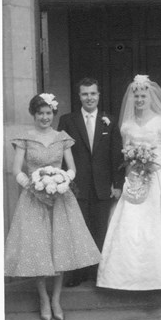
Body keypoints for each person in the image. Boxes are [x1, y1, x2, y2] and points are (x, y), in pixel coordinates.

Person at [4, 93, 100, 320]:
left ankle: (56, 298)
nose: (45, 117)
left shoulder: (62, 137)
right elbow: (16, 169)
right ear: (34, 114)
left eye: (48, 113)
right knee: (38, 248)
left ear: (53, 114)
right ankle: (43, 298)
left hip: (60, 198)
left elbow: (72, 168)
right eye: (40, 113)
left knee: (60, 248)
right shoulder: (24, 138)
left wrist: (62, 180)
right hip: (33, 199)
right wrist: (33, 185)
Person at [96, 75, 161, 291]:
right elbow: (125, 151)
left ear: (151, 98)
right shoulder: (127, 125)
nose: (139, 100)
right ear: (132, 98)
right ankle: (129, 278)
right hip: (134, 178)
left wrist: (153, 164)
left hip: (159, 176)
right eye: (136, 96)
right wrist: (133, 167)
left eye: (143, 96)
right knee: (131, 224)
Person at [58, 77, 124, 286]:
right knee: (78, 229)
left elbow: (116, 155)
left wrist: (118, 184)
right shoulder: (67, 120)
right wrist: (63, 183)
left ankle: (98, 273)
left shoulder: (110, 121)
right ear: (79, 96)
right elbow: (61, 154)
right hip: (77, 186)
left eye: (93, 93)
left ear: (98, 95)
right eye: (85, 94)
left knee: (100, 230)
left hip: (103, 185)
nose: (89, 98)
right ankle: (77, 274)